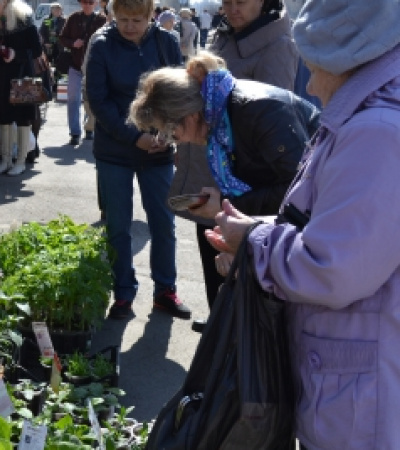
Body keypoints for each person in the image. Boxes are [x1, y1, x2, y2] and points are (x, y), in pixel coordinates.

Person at [204, 1, 400, 447]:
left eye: (314, 69)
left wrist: (254, 242)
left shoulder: (377, 133)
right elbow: (336, 228)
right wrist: (258, 233)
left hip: (361, 403)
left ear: (347, 61)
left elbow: (332, 267)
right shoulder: (369, 119)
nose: (309, 84)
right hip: (357, 382)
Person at [127, 50, 319, 322]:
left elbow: (301, 191)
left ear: (189, 115)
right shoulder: (220, 120)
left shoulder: (258, 110)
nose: (174, 141)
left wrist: (232, 205)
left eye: (170, 132)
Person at [177, 0, 300, 332]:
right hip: (212, 163)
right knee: (209, 241)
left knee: (240, 255)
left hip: (245, 176)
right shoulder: (220, 35)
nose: (232, 8)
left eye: (241, 1)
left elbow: (274, 114)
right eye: (226, 1)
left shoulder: (278, 45)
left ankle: (236, 326)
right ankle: (219, 313)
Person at [85, 0, 188, 320]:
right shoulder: (102, 44)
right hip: (115, 151)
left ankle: (165, 290)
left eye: (136, 20)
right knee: (117, 226)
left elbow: (178, 92)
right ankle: (123, 291)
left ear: (150, 17)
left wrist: (168, 134)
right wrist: (134, 137)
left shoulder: (165, 41)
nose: (129, 26)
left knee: (164, 224)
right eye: (123, 19)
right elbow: (98, 102)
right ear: (113, 16)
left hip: (157, 150)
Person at [0, 0, 43, 176]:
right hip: (1, 79)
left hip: (22, 78)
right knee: (4, 117)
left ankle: (20, 161)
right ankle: (5, 160)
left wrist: (15, 55)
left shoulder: (25, 23)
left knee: (23, 118)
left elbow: (36, 50)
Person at [209, 0, 297, 89]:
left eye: (240, 2)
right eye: (226, 2)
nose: (233, 10)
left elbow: (274, 101)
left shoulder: (278, 47)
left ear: (261, 1)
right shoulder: (224, 32)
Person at [58, 0, 106, 146]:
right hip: (75, 65)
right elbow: (62, 38)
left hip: (94, 67)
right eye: (84, 2)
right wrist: (73, 43)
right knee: (73, 99)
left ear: (96, 4)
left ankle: (90, 128)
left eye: (90, 2)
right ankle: (74, 132)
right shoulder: (73, 18)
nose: (87, 5)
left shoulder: (102, 20)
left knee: (91, 100)